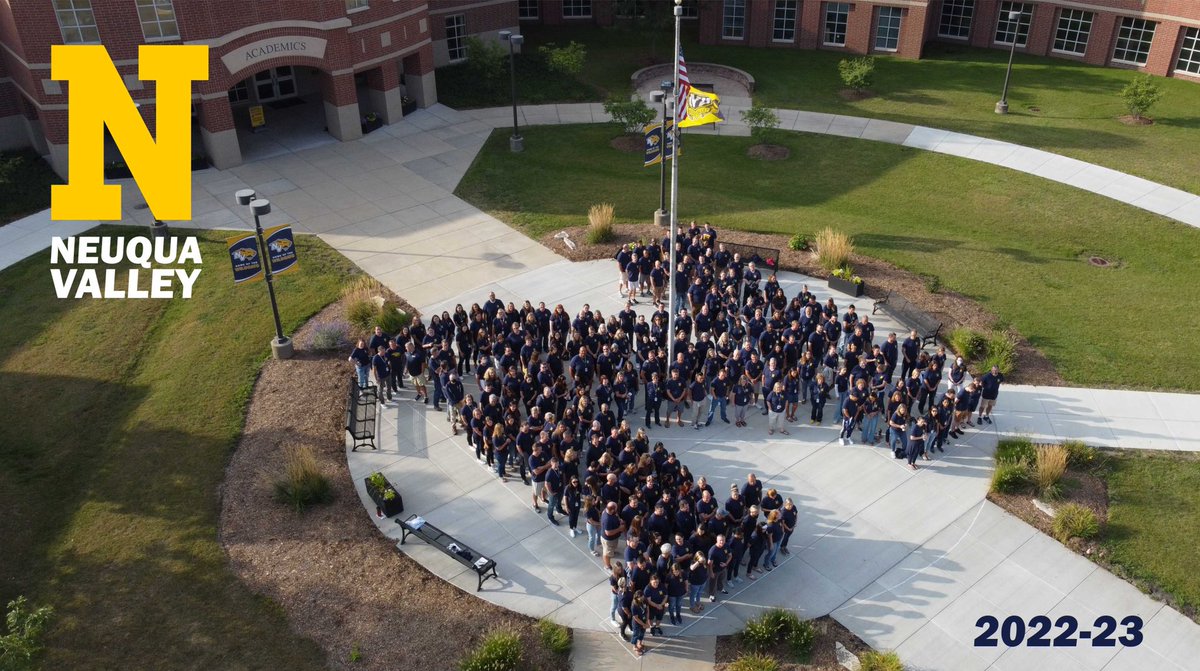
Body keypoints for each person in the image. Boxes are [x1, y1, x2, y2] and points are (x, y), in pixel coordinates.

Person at [601, 501, 626, 570]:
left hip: (613, 538)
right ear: (612, 510)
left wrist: (619, 520)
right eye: (616, 509)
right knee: (606, 553)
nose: (617, 510)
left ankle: (612, 552)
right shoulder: (607, 519)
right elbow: (608, 533)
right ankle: (607, 566)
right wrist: (619, 529)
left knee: (610, 550)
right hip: (609, 540)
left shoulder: (608, 511)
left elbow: (616, 515)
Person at [706, 534, 731, 602]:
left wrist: (726, 564)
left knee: (721, 579)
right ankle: (711, 595)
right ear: (717, 540)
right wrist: (711, 572)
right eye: (720, 540)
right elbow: (709, 563)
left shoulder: (726, 545)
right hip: (715, 570)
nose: (722, 542)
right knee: (713, 583)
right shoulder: (713, 550)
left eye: (723, 540)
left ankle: (720, 588)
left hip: (723, 568)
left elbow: (730, 555)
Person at [545, 457, 564, 525]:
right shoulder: (549, 473)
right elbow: (547, 484)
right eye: (555, 464)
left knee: (559, 500)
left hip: (560, 489)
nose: (556, 465)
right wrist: (551, 492)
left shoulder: (560, 468)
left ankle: (559, 509)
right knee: (551, 504)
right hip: (553, 491)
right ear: (551, 463)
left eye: (557, 463)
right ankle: (550, 516)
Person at [630, 592, 649, 656]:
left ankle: (639, 643)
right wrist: (644, 624)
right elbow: (636, 618)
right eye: (640, 598)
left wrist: (646, 621)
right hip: (637, 623)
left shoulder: (644, 600)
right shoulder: (634, 605)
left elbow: (647, 611)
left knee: (642, 633)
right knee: (636, 634)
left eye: (642, 596)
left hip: (644, 620)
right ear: (636, 598)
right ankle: (634, 646)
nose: (641, 598)